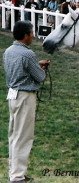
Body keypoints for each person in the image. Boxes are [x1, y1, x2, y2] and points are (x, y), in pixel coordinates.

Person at [3, 20, 49, 183]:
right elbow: (40, 77)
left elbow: (21, 70)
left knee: (14, 135)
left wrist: (36, 66)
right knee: (23, 136)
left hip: (13, 95)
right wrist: (41, 68)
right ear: (25, 35)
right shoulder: (28, 54)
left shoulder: (8, 51)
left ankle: (14, 172)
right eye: (31, 33)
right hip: (25, 97)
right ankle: (17, 177)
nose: (33, 36)